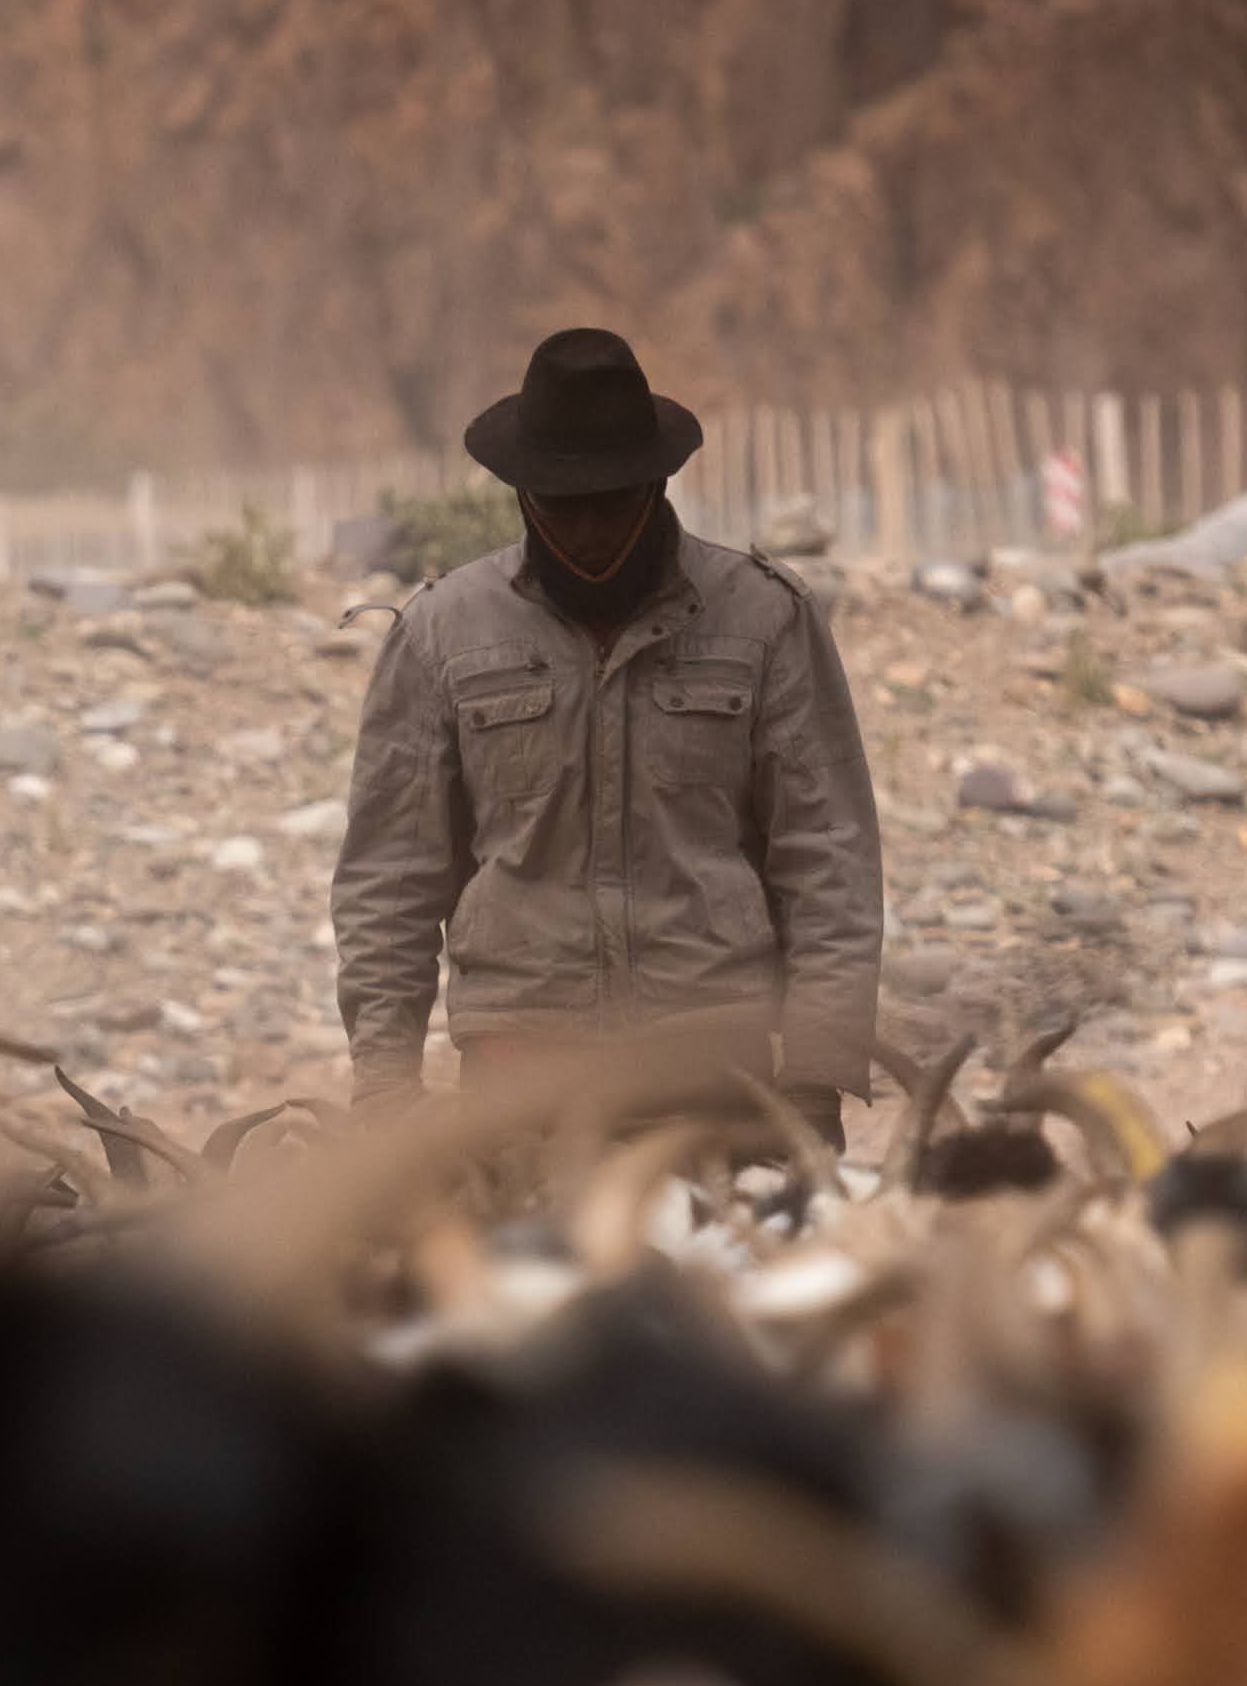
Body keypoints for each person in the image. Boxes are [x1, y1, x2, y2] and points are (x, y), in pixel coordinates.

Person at [329, 328, 881, 1135]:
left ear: (657, 484)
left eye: (612, 502)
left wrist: (816, 1078)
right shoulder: (441, 633)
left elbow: (828, 858)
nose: (589, 530)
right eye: (564, 504)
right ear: (522, 493)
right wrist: (385, 1087)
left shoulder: (765, 619)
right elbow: (391, 878)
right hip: (518, 1076)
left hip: (716, 1070)